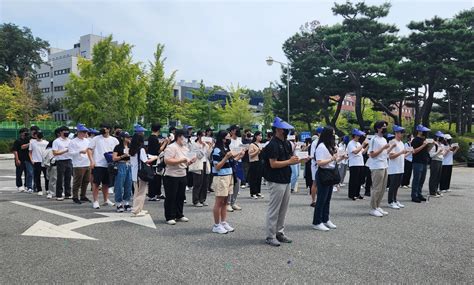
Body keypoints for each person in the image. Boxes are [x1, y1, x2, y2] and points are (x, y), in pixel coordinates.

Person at [262, 117, 303, 246]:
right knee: (274, 209)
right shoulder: (272, 144)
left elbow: (289, 158)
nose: (287, 132)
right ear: (279, 129)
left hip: (285, 178)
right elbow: (273, 164)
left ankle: (279, 232)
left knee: (283, 208)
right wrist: (290, 162)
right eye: (285, 129)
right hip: (276, 180)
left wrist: (300, 160)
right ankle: (270, 235)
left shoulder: (285, 143)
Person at [211, 130, 245, 234]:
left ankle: (223, 222)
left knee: (225, 201)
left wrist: (239, 156)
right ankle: (216, 225)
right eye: (227, 137)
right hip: (221, 177)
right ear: (222, 138)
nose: (229, 138)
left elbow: (231, 163)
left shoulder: (226, 148)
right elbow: (217, 167)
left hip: (228, 175)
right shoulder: (217, 150)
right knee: (219, 201)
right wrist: (226, 157)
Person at [163, 129, 197, 225]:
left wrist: (190, 161)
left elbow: (186, 162)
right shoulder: (171, 147)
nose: (186, 139)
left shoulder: (185, 148)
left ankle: (179, 214)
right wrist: (181, 160)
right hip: (171, 175)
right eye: (185, 137)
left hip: (182, 174)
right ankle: (169, 216)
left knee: (181, 196)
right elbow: (167, 161)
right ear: (179, 136)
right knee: (171, 196)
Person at [312, 126, 342, 231]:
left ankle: (325, 219)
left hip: (330, 173)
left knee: (327, 199)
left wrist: (340, 157)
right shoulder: (321, 146)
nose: (334, 136)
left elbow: (334, 160)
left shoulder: (329, 146)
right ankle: (317, 221)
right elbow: (319, 162)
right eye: (332, 134)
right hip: (323, 173)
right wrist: (331, 158)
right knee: (321, 199)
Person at [367, 121, 395, 217]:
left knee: (383, 188)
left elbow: (385, 153)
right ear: (378, 128)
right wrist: (383, 147)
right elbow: (372, 154)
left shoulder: (383, 139)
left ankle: (378, 206)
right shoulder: (374, 139)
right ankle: (372, 208)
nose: (385, 128)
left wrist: (390, 148)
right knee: (376, 188)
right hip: (377, 166)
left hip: (384, 165)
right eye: (383, 127)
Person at [87, 123, 119, 209]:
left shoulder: (114, 140)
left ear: (108, 129)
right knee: (96, 183)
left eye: (103, 128)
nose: (101, 129)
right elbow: (89, 149)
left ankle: (106, 200)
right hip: (98, 164)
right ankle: (96, 201)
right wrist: (92, 161)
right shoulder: (96, 139)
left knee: (106, 183)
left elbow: (118, 150)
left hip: (109, 164)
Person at [129, 133, 157, 217]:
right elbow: (146, 161)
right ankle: (136, 210)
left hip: (135, 173)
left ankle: (139, 208)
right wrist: (155, 157)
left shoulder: (132, 150)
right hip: (140, 174)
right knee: (141, 192)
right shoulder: (141, 150)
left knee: (137, 192)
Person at [68, 124, 91, 204]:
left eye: (85, 132)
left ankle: (83, 195)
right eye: (83, 132)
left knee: (86, 181)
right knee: (77, 181)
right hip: (78, 164)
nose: (84, 134)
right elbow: (70, 153)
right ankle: (75, 196)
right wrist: (79, 151)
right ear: (78, 132)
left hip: (87, 162)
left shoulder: (87, 141)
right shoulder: (73, 142)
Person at [387, 125, 409, 209]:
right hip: (394, 168)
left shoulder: (401, 143)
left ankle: (395, 200)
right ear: (396, 133)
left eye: (403, 132)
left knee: (397, 185)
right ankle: (390, 201)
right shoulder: (392, 142)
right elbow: (391, 156)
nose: (402, 134)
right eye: (401, 132)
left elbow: (402, 156)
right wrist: (401, 152)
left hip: (400, 167)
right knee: (392, 185)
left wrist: (409, 152)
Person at [190, 131, 212, 207]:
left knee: (205, 182)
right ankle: (196, 200)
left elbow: (209, 155)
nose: (204, 138)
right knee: (198, 183)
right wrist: (203, 147)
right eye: (202, 136)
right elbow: (198, 156)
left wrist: (209, 146)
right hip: (198, 164)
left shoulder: (205, 145)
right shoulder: (194, 144)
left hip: (205, 163)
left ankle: (202, 199)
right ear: (199, 136)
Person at [112, 132, 133, 212]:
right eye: (127, 137)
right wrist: (122, 156)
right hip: (121, 165)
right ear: (122, 138)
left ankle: (126, 202)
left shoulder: (130, 146)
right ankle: (118, 203)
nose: (129, 138)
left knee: (128, 184)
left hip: (129, 165)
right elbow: (114, 158)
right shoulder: (118, 147)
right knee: (119, 184)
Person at [411, 125, 431, 203]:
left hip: (424, 161)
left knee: (422, 179)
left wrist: (430, 145)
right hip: (417, 162)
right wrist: (423, 145)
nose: (426, 133)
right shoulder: (415, 140)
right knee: (416, 179)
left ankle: (419, 193)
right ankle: (414, 195)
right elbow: (414, 151)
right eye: (425, 131)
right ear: (420, 131)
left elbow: (427, 151)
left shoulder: (424, 140)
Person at [147, 123, 166, 201]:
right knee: (155, 177)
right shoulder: (154, 138)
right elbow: (159, 150)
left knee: (156, 177)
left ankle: (156, 193)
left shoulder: (150, 138)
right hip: (154, 158)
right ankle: (152, 194)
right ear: (158, 130)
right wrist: (165, 143)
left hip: (151, 157)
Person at [347, 129, 368, 200]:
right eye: (358, 136)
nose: (359, 137)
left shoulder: (358, 144)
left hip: (360, 163)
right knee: (353, 180)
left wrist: (368, 146)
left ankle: (357, 193)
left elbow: (363, 152)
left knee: (359, 180)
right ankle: (351, 194)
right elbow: (355, 151)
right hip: (354, 164)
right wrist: (363, 145)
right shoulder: (350, 143)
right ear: (355, 136)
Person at [52, 126, 73, 201]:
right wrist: (65, 151)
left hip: (69, 160)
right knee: (60, 178)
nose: (66, 133)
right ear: (60, 132)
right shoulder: (57, 141)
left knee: (68, 177)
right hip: (60, 161)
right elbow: (55, 152)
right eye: (65, 131)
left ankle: (68, 193)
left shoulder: (70, 141)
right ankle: (59, 194)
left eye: (67, 131)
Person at [227, 124, 243, 212]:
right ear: (232, 131)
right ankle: (228, 203)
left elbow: (241, 149)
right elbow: (229, 153)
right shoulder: (229, 140)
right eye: (236, 130)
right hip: (231, 163)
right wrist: (238, 154)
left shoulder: (239, 140)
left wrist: (243, 152)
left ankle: (234, 202)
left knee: (238, 183)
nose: (238, 131)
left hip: (239, 163)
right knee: (230, 183)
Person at [13, 128, 33, 193]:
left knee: (28, 173)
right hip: (20, 159)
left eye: (27, 132)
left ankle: (26, 185)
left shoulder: (29, 140)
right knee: (19, 173)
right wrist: (17, 159)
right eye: (25, 132)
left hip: (27, 159)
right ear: (21, 133)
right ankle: (19, 185)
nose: (26, 133)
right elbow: (15, 151)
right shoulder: (18, 141)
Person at [29, 130, 49, 196]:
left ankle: (47, 189)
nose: (39, 135)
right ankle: (39, 189)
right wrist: (32, 160)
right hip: (36, 161)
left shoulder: (46, 142)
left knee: (47, 176)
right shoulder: (32, 142)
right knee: (37, 176)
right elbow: (30, 152)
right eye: (38, 134)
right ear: (35, 135)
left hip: (45, 161)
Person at [428, 131, 447, 198]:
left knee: (438, 177)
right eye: (441, 138)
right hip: (435, 161)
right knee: (433, 177)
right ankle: (432, 192)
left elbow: (443, 154)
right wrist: (438, 152)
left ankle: (436, 190)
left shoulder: (441, 145)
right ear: (438, 138)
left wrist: (443, 152)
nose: (442, 139)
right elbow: (431, 155)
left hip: (440, 161)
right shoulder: (434, 145)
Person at [309, 127, 324, 207]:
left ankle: (320, 200)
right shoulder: (315, 142)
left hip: (323, 164)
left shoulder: (324, 142)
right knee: (315, 183)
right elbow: (312, 155)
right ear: (318, 133)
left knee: (322, 182)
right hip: (315, 165)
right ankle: (313, 200)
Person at [248, 131, 264, 199]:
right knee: (253, 178)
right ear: (255, 136)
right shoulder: (252, 145)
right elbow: (250, 155)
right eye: (259, 135)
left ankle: (258, 192)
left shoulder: (261, 144)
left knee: (259, 177)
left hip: (260, 162)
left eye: (261, 136)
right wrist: (257, 151)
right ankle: (253, 193)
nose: (260, 137)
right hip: (254, 162)